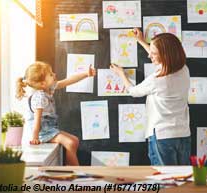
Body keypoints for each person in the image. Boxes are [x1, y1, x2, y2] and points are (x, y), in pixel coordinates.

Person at [110, 28, 191, 165]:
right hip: (183, 134)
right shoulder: (183, 70)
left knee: (166, 180)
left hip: (162, 136)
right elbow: (162, 59)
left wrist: (121, 74)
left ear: (164, 56)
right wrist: (141, 41)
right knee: (183, 177)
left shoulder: (157, 79)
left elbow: (133, 91)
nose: (149, 56)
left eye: (153, 53)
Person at [16, 61, 96, 165]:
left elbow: (69, 81)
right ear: (42, 83)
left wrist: (86, 74)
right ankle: (75, 171)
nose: (54, 74)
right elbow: (37, 119)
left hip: (50, 129)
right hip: (43, 133)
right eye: (50, 74)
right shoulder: (39, 97)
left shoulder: (49, 89)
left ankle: (69, 166)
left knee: (75, 140)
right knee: (70, 143)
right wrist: (35, 138)